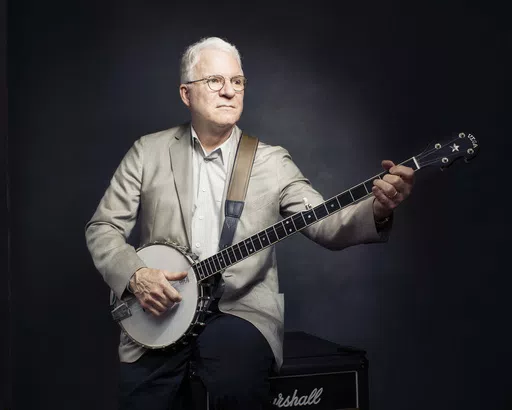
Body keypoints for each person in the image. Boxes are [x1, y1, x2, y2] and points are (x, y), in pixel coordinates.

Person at [85, 36, 415, 409]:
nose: (229, 91)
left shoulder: (271, 162)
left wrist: (378, 209)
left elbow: (327, 224)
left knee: (236, 382)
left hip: (238, 309)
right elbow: (103, 228)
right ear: (186, 93)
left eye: (237, 81)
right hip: (160, 310)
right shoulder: (148, 152)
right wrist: (135, 275)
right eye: (215, 80)